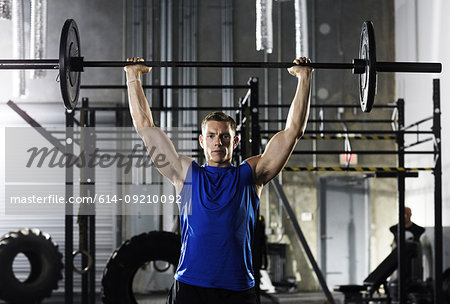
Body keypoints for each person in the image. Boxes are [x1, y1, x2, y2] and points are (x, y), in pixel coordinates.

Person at [124, 57, 312, 304]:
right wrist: (132, 75)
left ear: (235, 141)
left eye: (225, 136)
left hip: (238, 289)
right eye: (211, 136)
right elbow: (146, 128)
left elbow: (292, 133)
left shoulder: (250, 175)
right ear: (202, 141)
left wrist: (304, 77)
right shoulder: (185, 173)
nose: (217, 142)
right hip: (190, 287)